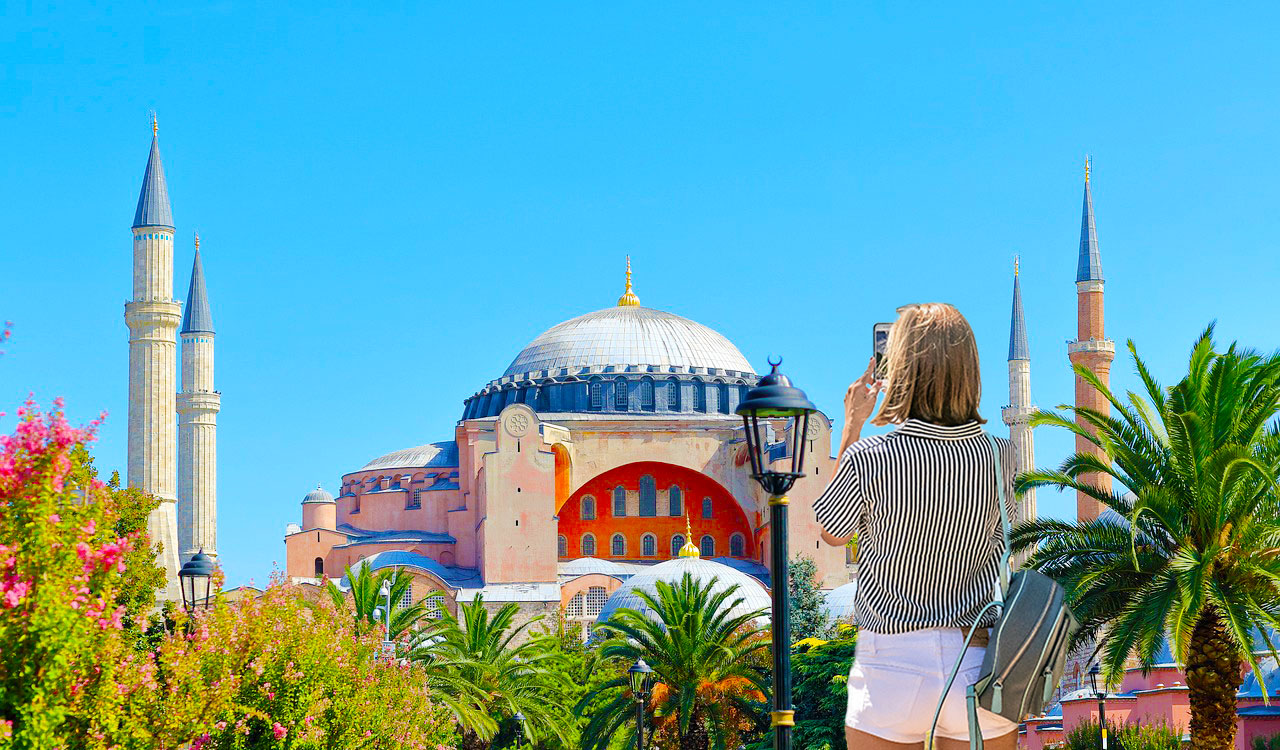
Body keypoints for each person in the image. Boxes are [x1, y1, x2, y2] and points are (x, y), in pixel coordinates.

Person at [813, 303, 1019, 750]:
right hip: (979, 656)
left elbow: (831, 529)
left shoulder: (870, 456)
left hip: (892, 658)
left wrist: (851, 425)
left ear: (900, 367)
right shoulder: (1003, 455)